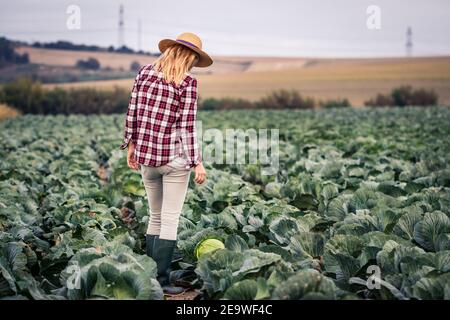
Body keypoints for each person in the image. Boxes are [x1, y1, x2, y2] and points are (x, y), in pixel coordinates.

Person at [120, 32, 212, 294]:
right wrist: (197, 163)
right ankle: (161, 281)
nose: (194, 64)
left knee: (155, 217)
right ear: (191, 57)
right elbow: (186, 127)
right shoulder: (188, 83)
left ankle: (150, 277)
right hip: (174, 159)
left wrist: (131, 144)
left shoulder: (144, 73)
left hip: (147, 158)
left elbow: (133, 111)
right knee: (170, 219)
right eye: (195, 59)